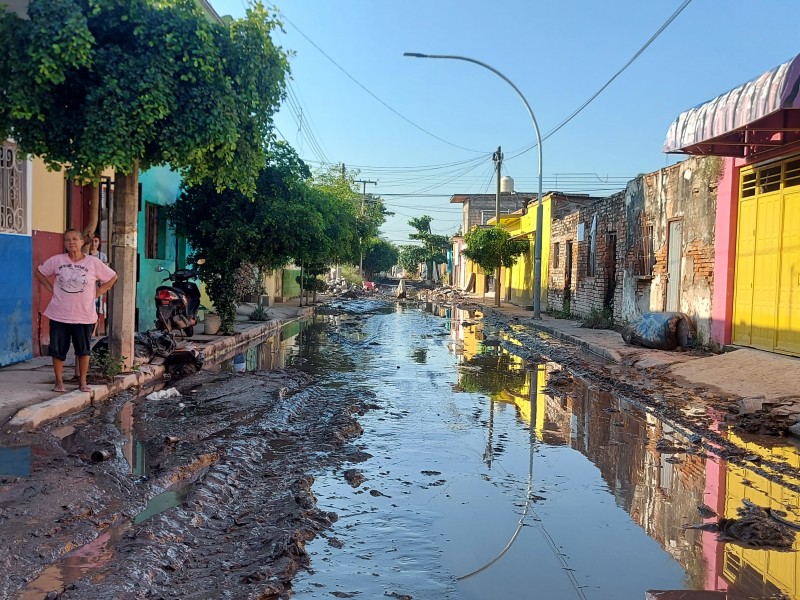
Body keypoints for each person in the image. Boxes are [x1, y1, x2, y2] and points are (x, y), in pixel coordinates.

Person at [34, 228, 118, 393]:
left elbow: (112, 277)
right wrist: (50, 288)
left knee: (83, 350)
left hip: (84, 314)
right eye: (67, 240)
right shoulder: (57, 260)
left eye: (74, 239)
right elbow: (39, 272)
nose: (71, 242)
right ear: (64, 243)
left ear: (81, 242)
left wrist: (98, 292)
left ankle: (83, 382)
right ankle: (59, 382)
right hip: (59, 313)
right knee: (58, 349)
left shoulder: (93, 263)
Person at [89, 235, 109, 336]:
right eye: (92, 241)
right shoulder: (86, 254)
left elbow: (105, 269)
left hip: (98, 284)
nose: (94, 243)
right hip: (89, 284)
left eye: (96, 241)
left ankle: (93, 331)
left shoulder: (102, 256)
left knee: (97, 307)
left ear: (99, 243)